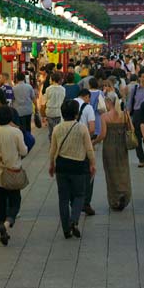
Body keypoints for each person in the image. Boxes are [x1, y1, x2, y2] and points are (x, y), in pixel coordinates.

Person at [48, 99, 96, 238]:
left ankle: (65, 229)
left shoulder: (57, 128)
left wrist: (52, 165)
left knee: (63, 198)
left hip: (62, 166)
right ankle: (74, 220)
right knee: (79, 195)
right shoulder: (82, 128)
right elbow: (89, 149)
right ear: (76, 113)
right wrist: (93, 164)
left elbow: (53, 150)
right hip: (78, 166)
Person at [0, 106, 27, 245]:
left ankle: (1, 227)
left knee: (0, 203)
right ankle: (6, 225)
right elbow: (24, 151)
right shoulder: (16, 132)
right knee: (15, 201)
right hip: (12, 172)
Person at [96, 93, 133, 210]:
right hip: (122, 147)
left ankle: (115, 199)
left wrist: (92, 142)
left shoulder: (105, 117)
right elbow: (132, 129)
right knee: (123, 170)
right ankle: (125, 193)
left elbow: (102, 135)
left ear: (108, 102)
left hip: (109, 148)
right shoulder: (124, 114)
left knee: (111, 173)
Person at [75, 87, 98, 215]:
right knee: (89, 173)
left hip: (70, 146)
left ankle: (74, 202)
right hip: (84, 146)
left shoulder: (68, 104)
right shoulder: (88, 107)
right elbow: (92, 128)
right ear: (87, 97)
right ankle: (86, 203)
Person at [126, 70, 144, 168]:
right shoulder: (135, 89)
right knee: (137, 138)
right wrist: (129, 119)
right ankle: (141, 159)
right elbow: (129, 104)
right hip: (137, 114)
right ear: (139, 78)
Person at [42, 73, 66, 140]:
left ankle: (52, 144)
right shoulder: (63, 89)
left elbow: (45, 101)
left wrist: (43, 114)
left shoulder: (48, 89)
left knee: (51, 130)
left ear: (52, 80)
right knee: (59, 130)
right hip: (59, 111)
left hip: (50, 111)